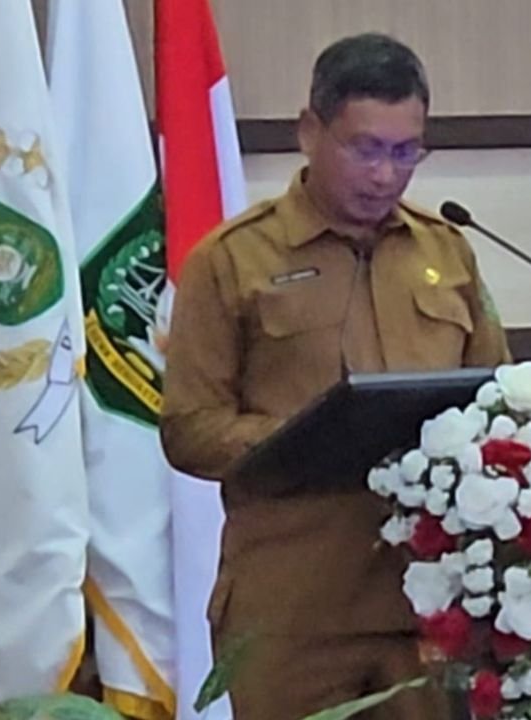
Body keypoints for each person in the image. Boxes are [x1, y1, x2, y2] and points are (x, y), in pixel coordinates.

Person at [161, 33, 512, 720]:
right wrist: (312, 438)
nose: (384, 175)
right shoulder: (232, 260)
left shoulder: (446, 252)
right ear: (309, 131)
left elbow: (497, 403)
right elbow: (189, 429)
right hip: (293, 612)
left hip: (428, 604)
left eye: (406, 152)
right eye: (365, 148)